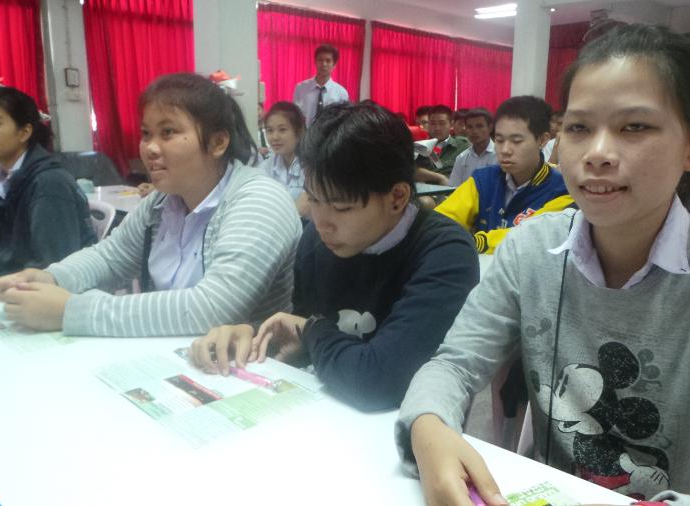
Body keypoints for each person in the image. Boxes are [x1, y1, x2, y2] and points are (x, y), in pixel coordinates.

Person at [398, 24, 690, 505]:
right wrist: (428, 426)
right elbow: (454, 365)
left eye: (634, 127)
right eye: (578, 128)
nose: (597, 154)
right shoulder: (530, 250)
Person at [189, 102, 479, 412]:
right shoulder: (317, 240)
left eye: (341, 208)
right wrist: (254, 334)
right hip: (327, 412)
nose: (321, 223)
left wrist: (310, 329)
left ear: (397, 197)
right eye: (314, 200)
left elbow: (379, 381)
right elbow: (306, 339)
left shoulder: (445, 252)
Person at [0, 73, 301, 337]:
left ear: (218, 142)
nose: (150, 148)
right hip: (172, 356)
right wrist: (51, 278)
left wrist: (70, 311)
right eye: (146, 134)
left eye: (168, 133)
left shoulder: (259, 200)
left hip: (244, 370)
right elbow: (111, 258)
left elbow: (213, 308)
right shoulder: (163, 200)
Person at [0, 87, 95, 289]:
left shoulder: (47, 183)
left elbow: (53, 269)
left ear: (24, 132)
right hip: (13, 285)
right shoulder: (4, 177)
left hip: (46, 295)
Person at [435, 96, 575, 254]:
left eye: (516, 141)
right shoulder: (483, 180)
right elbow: (441, 220)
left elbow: (528, 236)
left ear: (542, 140)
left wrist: (474, 242)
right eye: (499, 140)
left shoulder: (562, 191)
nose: (505, 150)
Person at [258, 101, 309, 217]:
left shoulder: (311, 165)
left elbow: (305, 206)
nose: (274, 137)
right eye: (270, 130)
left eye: (282, 130)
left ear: (298, 131)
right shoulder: (265, 167)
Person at [292, 44, 349, 126]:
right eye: (320, 60)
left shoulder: (341, 93)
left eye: (328, 61)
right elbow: (294, 116)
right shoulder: (300, 88)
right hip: (305, 133)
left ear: (334, 65)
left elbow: (342, 122)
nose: (324, 64)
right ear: (315, 62)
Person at [419, 104, 471, 178]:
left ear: (451, 124)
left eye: (442, 123)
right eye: (433, 123)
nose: (437, 128)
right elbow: (411, 171)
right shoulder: (420, 147)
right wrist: (439, 178)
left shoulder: (462, 145)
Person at [448, 108, 496, 187]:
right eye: (470, 127)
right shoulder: (461, 158)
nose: (474, 131)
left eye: (479, 126)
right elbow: (454, 188)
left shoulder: (500, 156)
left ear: (490, 128)